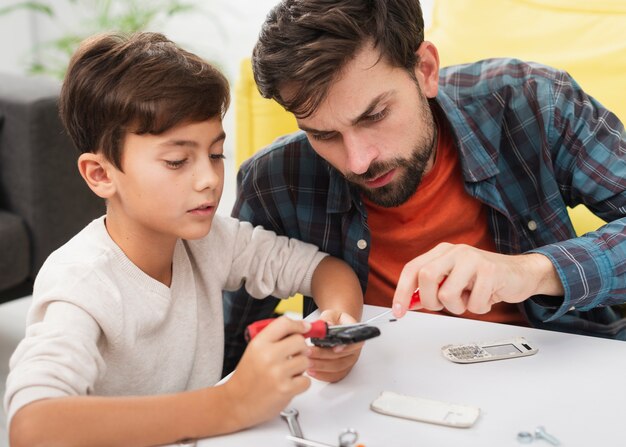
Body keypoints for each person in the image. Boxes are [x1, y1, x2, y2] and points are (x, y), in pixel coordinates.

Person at [222, 0, 626, 374]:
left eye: (375, 115)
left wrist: (533, 271)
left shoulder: (534, 102)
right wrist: (296, 356)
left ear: (425, 70)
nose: (359, 161)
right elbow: (225, 341)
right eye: (323, 135)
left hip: (568, 374)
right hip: (377, 398)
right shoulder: (275, 180)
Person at [3, 32, 364, 447]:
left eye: (215, 154)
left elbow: (325, 269)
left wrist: (339, 327)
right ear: (100, 174)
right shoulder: (81, 284)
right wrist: (231, 402)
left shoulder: (209, 241)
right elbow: (33, 427)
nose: (209, 179)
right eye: (177, 161)